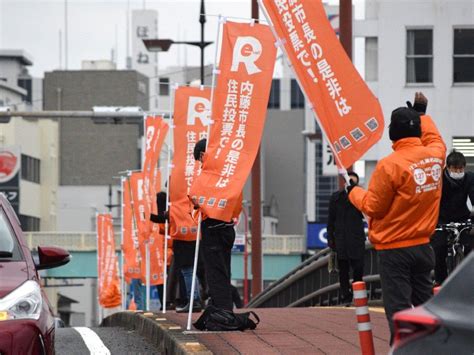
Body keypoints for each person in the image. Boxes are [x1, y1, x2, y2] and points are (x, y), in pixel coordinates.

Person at [348, 92, 446, 343]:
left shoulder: (389, 165)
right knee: (427, 307)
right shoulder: (435, 156)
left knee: (400, 311)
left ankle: (403, 350)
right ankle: (434, 349)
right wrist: (422, 114)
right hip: (424, 245)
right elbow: (434, 138)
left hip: (394, 250)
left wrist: (353, 192)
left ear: (393, 133)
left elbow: (374, 207)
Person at [193, 138, 242, 312]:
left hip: (212, 228)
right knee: (223, 270)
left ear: (202, 155)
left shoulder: (209, 177)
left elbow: (195, 196)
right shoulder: (229, 173)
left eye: (199, 160)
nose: (199, 164)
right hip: (228, 227)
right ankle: (222, 307)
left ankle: (222, 312)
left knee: (215, 272)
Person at [150, 192, 204, 313]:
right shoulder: (191, 200)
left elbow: (163, 220)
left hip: (182, 241)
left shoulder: (175, 205)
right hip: (195, 237)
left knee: (187, 272)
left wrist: (145, 215)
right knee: (191, 272)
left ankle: (193, 300)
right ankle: (194, 299)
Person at [431, 150, 474, 285]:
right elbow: (432, 201)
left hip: (462, 217)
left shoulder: (470, 178)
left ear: (464, 167)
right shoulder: (439, 180)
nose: (458, 171)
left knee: (470, 247)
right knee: (439, 248)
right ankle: (440, 282)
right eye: (454, 168)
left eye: (460, 168)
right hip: (442, 219)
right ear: (448, 168)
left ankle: (468, 281)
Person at [327, 171, 366, 305]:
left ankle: (358, 295)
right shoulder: (336, 198)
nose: (350, 184)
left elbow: (367, 214)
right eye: (349, 181)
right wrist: (331, 240)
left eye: (353, 182)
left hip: (356, 240)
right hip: (341, 241)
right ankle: (346, 296)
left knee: (358, 269)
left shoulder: (361, 198)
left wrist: (357, 196)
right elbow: (330, 221)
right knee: (343, 271)